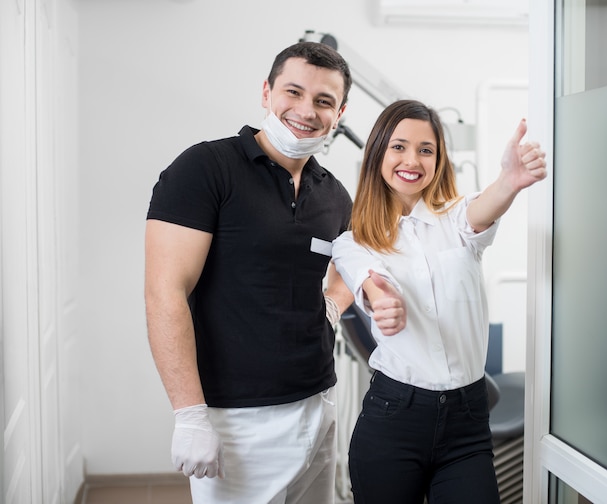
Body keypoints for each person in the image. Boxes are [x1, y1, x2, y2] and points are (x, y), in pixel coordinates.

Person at [144, 41, 355, 504]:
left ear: (339, 113)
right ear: (266, 92)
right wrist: (190, 413)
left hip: (318, 401)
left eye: (323, 101)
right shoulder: (205, 169)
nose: (306, 110)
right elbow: (165, 293)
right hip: (234, 417)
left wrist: (333, 306)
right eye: (293, 92)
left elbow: (351, 265)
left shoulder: (334, 194)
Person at [331, 99, 547, 503]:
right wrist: (383, 301)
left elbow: (483, 211)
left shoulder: (458, 219)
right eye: (398, 146)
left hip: (467, 420)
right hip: (394, 418)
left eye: (425, 149)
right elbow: (370, 280)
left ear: (438, 159)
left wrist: (510, 180)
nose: (412, 159)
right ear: (378, 151)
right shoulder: (353, 241)